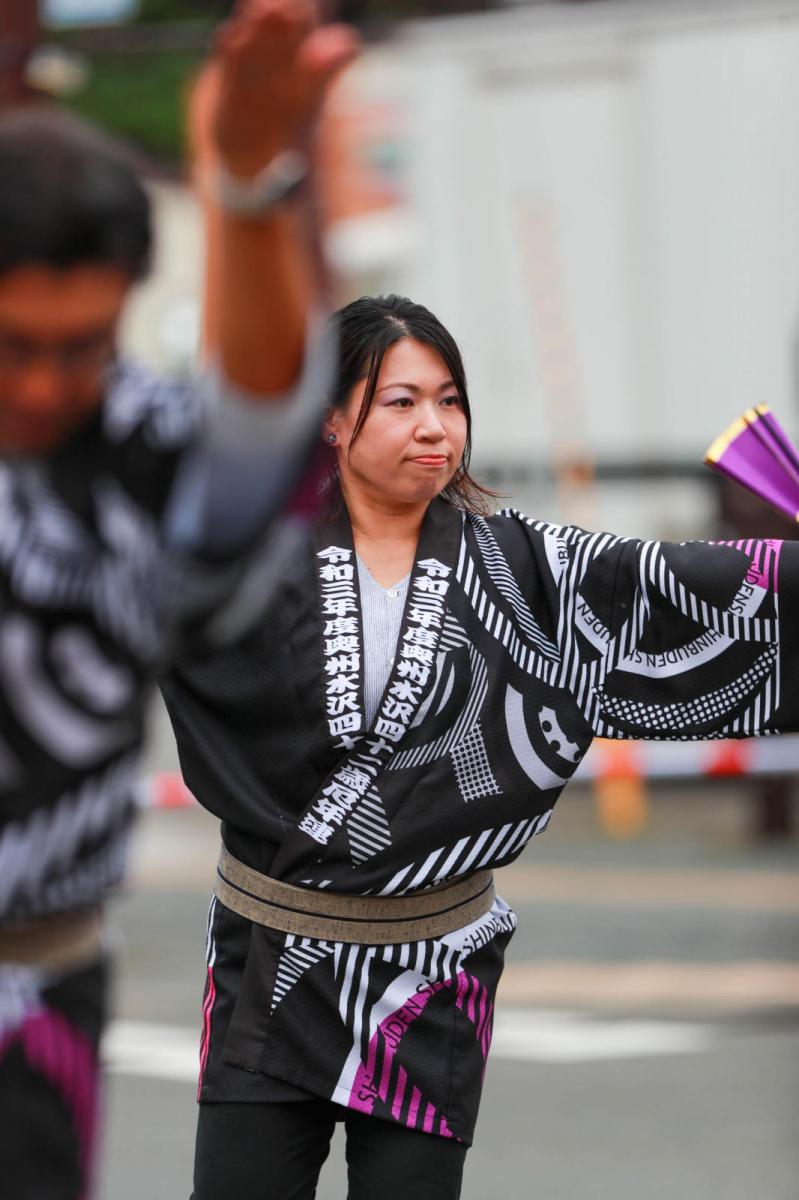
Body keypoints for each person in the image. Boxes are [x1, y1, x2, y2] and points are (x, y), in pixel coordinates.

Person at [160, 294, 799, 1200]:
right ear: (333, 420)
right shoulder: (250, 563)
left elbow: (671, 587)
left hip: (434, 974)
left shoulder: (527, 569)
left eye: (450, 400)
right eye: (402, 402)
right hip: (272, 961)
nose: (435, 426)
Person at [0, 2, 358, 1197]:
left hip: (34, 984)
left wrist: (246, 192)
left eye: (82, 344)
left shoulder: (137, 452)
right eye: (15, 346)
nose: (48, 382)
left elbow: (268, 435)